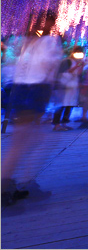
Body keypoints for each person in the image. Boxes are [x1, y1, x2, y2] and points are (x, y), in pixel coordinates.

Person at [1, 10, 62, 205]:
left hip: (22, 90)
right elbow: (47, 67)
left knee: (26, 140)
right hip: (35, 90)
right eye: (51, 21)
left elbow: (14, 69)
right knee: (25, 142)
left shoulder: (24, 41)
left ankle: (16, 183)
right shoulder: (47, 42)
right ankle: (7, 186)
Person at [52, 49, 81, 131]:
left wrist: (80, 66)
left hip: (72, 87)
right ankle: (56, 124)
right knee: (61, 105)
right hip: (64, 87)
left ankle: (64, 123)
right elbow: (64, 73)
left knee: (69, 105)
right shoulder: (66, 61)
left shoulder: (76, 62)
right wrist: (76, 66)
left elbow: (78, 74)